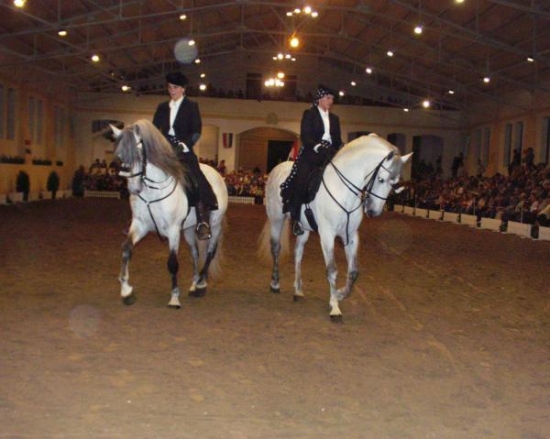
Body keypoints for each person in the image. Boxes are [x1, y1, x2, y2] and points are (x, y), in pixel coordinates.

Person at [152, 71, 217, 240]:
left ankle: (202, 221)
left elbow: (196, 131)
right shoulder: (162, 107)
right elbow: (154, 129)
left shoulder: (191, 106)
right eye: (169, 87)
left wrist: (183, 145)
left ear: (183, 89)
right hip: (164, 151)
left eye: (175, 87)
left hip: (183, 150)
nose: (171, 91)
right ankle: (139, 215)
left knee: (196, 180)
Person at [280, 85, 343, 236]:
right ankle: (296, 218)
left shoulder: (335, 119)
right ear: (320, 99)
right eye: (328, 98)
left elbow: (337, 140)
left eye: (332, 99)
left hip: (330, 153)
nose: (331, 101)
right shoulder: (309, 114)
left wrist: (342, 148)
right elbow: (305, 135)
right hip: (312, 153)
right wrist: (316, 146)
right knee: (301, 179)